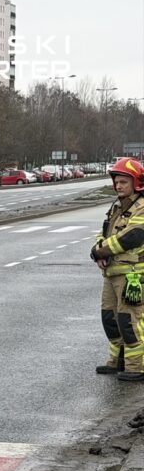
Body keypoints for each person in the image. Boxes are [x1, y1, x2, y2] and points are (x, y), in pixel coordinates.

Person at [91, 158, 144, 381]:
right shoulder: (116, 206)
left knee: (129, 320)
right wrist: (96, 250)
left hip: (132, 275)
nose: (119, 186)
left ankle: (136, 367)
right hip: (112, 273)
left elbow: (130, 237)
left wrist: (101, 251)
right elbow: (105, 233)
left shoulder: (141, 207)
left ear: (136, 183)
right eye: (117, 182)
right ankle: (117, 361)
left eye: (124, 182)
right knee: (110, 318)